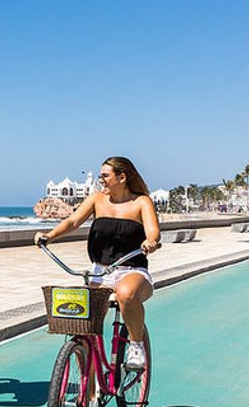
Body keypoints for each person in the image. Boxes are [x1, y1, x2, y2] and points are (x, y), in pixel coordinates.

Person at [34, 156, 160, 371]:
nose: (101, 179)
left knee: (125, 294)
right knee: (85, 331)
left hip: (132, 270)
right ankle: (89, 397)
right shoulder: (96, 200)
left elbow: (153, 231)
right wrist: (50, 236)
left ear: (122, 177)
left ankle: (136, 346)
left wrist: (151, 241)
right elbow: (72, 221)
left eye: (105, 175)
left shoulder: (141, 202)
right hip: (100, 272)